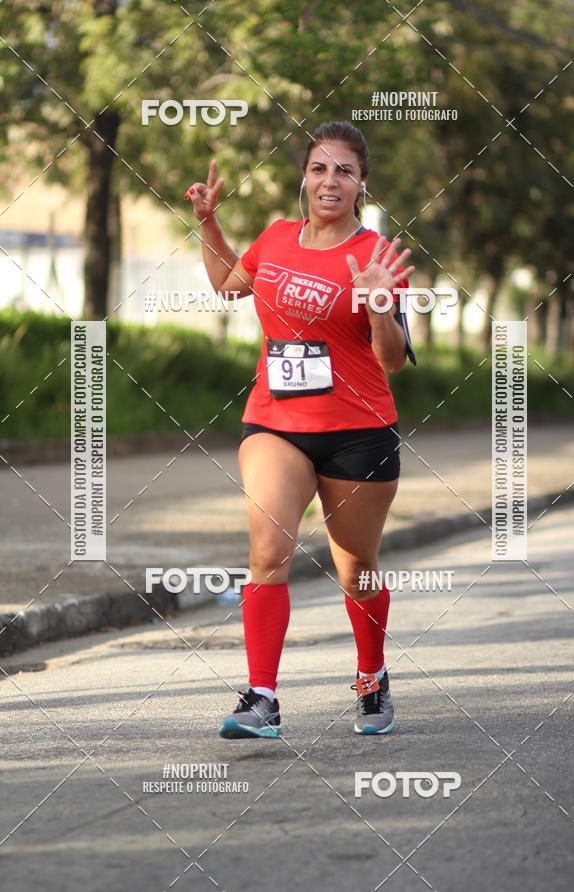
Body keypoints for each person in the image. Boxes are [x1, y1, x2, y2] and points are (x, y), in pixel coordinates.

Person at [184, 121, 416, 739]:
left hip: (358, 431)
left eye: (344, 169)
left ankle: (372, 678)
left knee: (356, 570)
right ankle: (262, 697)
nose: (330, 180)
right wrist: (208, 223)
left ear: (362, 183)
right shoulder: (277, 238)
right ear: (303, 178)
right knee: (267, 550)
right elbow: (228, 285)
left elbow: (391, 360)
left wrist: (381, 306)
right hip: (274, 421)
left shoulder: (377, 257)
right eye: (319, 168)